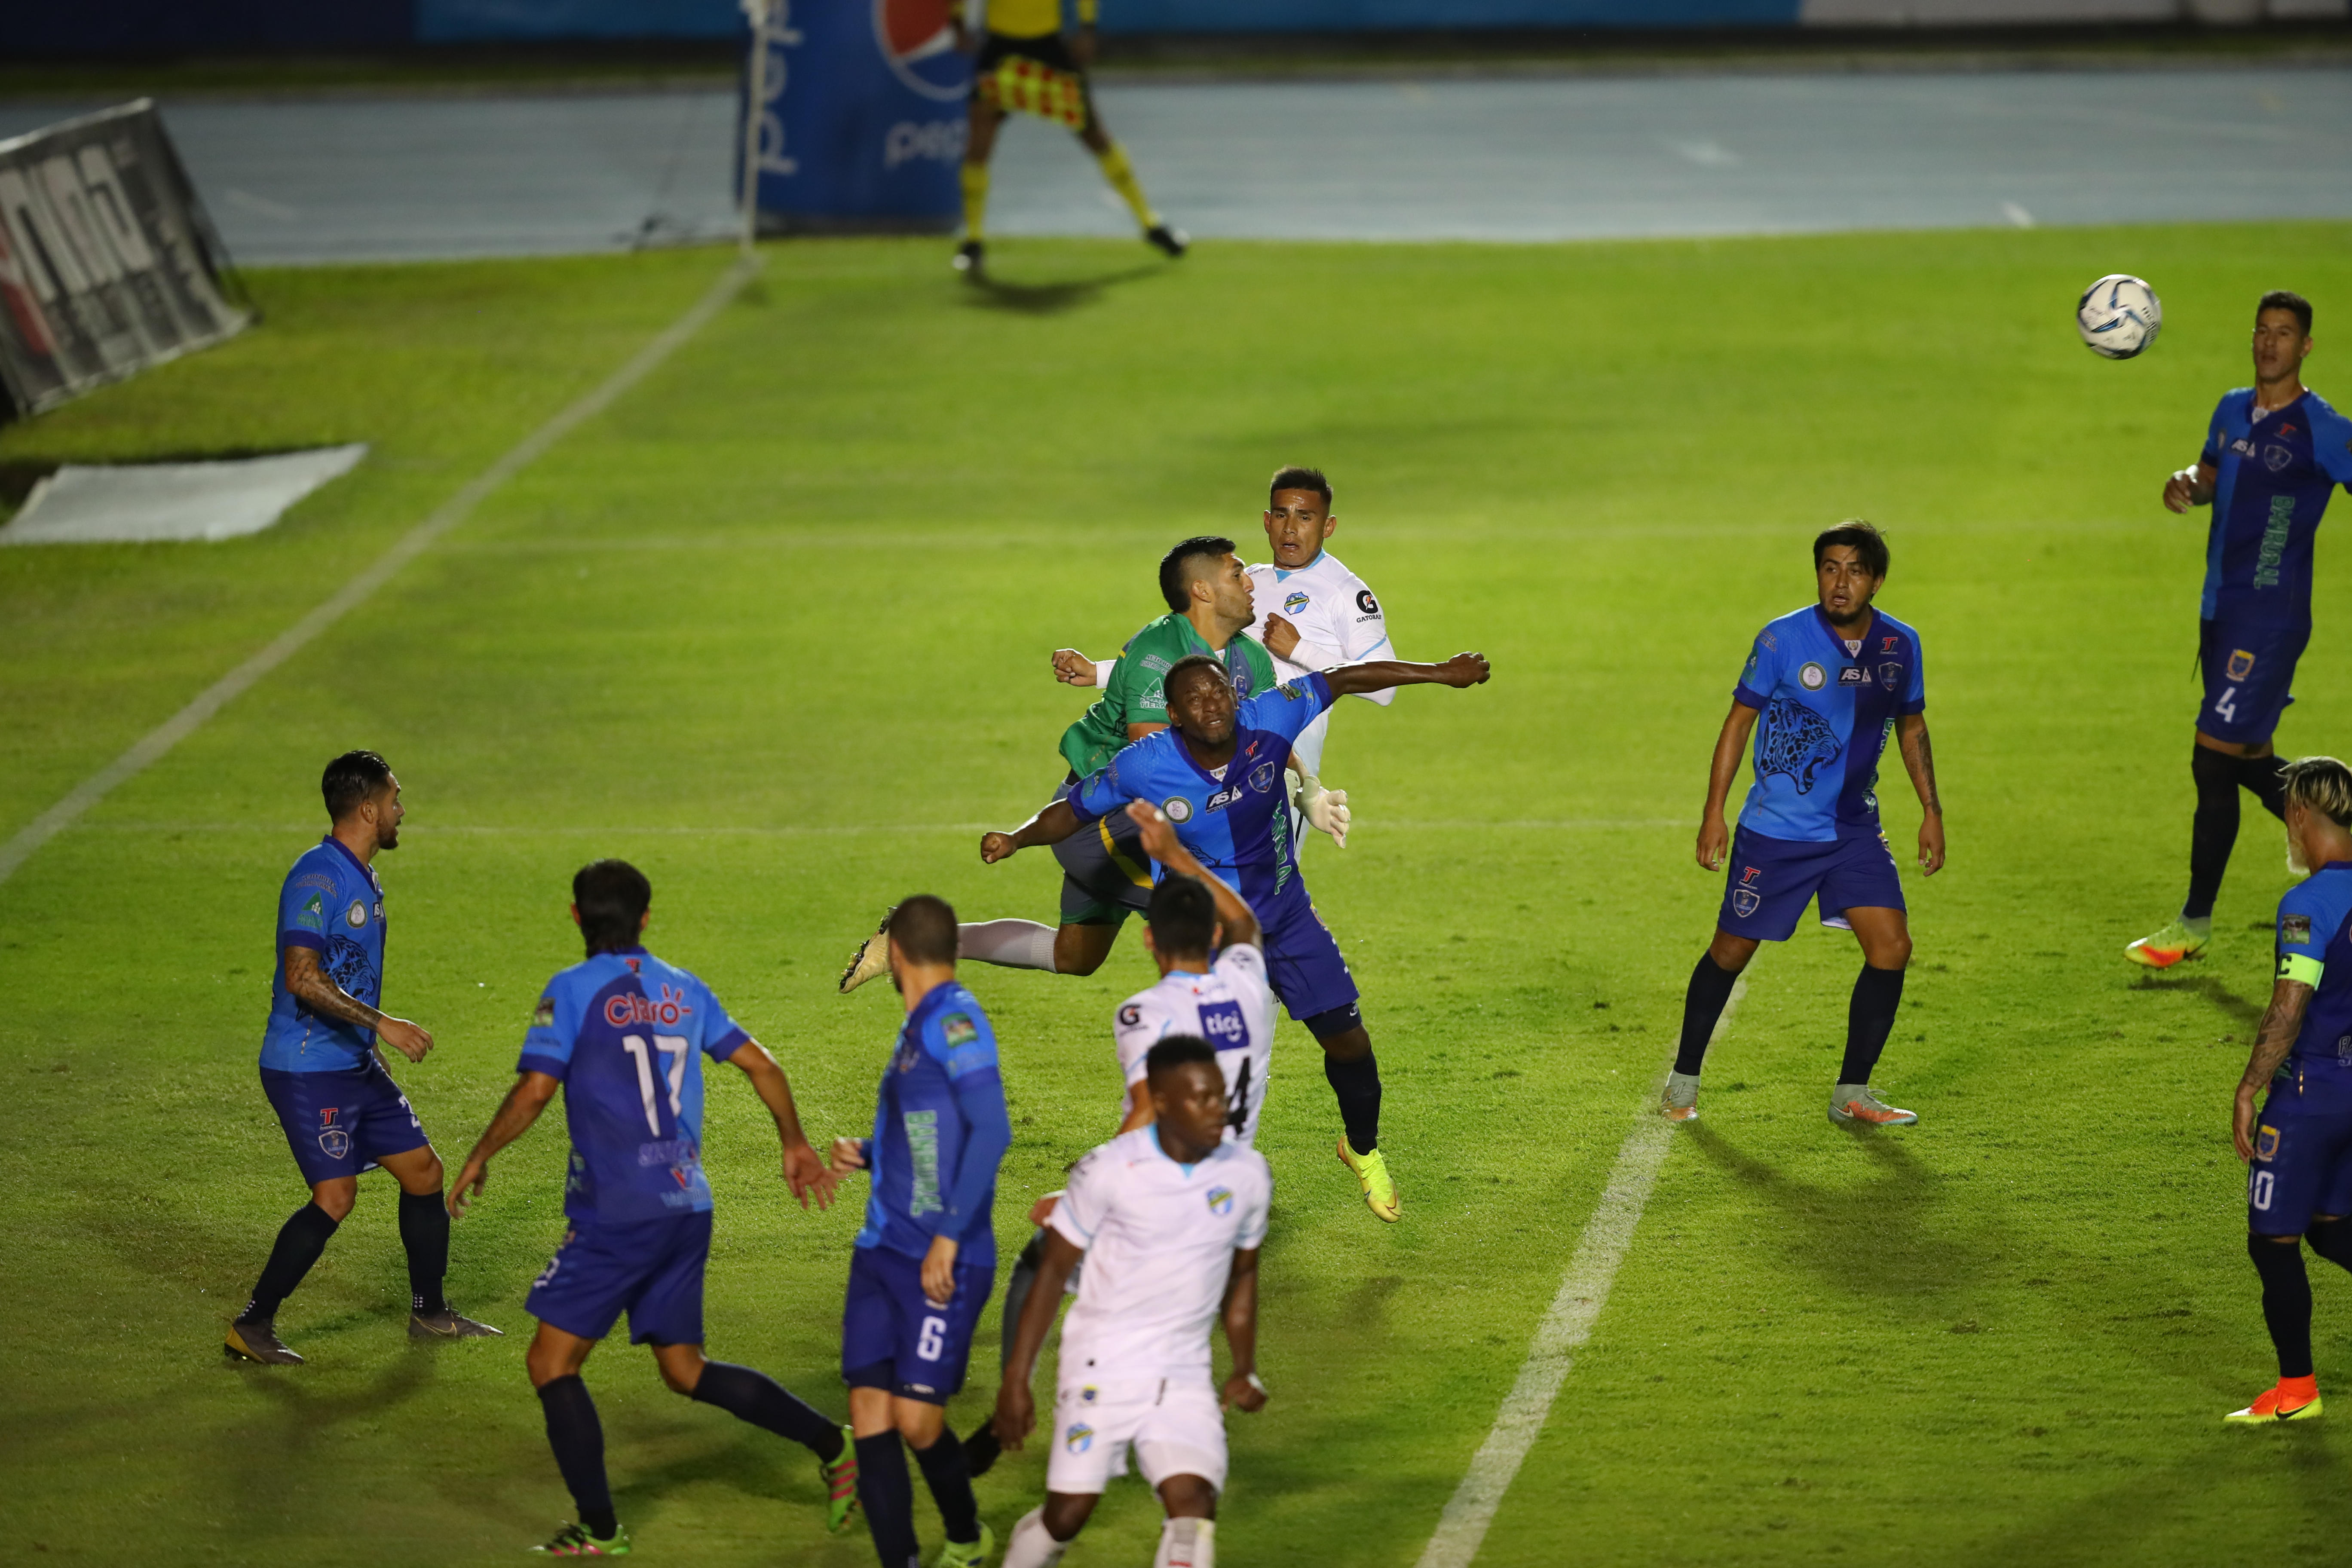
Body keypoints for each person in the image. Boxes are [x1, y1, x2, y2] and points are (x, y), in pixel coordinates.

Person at [979, 649, 1492, 1222]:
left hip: (1286, 916)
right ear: (1173, 715)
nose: (1212, 706)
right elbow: (1072, 809)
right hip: (1207, 939)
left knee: (1351, 1044)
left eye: (1219, 692)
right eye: (1195, 699)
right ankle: (1161, 1189)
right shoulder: (1145, 764)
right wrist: (1017, 839)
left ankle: (1363, 1149)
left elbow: (1347, 679)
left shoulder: (1271, 718)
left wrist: (1441, 673)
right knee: (1202, 1071)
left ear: (1234, 694)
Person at [445, 859, 856, 1556]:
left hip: (618, 1215)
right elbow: (762, 1063)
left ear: (575, 916)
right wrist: (795, 1143)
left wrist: (481, 1154)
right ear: (645, 918)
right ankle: (832, 1443)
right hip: (684, 1205)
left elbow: (535, 1092)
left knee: (550, 1363)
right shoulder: (684, 990)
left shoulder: (571, 991)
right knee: (684, 1368)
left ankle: (600, 1528)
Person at [839, 535, 1337, 990]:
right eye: (1238, 573)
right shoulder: (1158, 655)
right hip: (1104, 823)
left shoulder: (1248, 657)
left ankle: (911, 936)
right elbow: (1165, 767)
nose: (1251, 584)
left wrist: (1307, 783)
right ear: (1203, 591)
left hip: (1125, 811)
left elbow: (1263, 732)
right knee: (1218, 919)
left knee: (1075, 954)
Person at [965, 801, 1276, 1476]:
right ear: (1215, 939)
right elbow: (1246, 922)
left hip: (1167, 1185)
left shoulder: (1147, 1013)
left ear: (1149, 942)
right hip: (1233, 1184)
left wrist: (1085, 1186)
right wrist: (1177, 858)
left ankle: (1013, 1403)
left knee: (1047, 1258)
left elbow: (1144, 1110)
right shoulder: (1252, 985)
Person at [1664, 522, 1943, 1129]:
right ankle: (1683, 1080)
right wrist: (1715, 812)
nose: (1840, 583)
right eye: (1830, 568)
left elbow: (1913, 726)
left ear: (1877, 580)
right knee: (1731, 951)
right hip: (1778, 832)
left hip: (1853, 831)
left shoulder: (1901, 645)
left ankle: (1852, 1095)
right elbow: (1738, 723)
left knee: (1892, 948)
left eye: (1855, 571)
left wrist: (1931, 811)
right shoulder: (1782, 640)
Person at [224, 750, 497, 1366]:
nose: (403, 810)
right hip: (305, 1067)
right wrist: (386, 1025)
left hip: (351, 1062)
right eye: (396, 799)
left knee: (425, 1174)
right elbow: (302, 976)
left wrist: (368, 1040)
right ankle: (252, 1325)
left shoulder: (364, 875)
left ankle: (430, 1314)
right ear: (369, 809)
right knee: (335, 1198)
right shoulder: (318, 878)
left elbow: (346, 973)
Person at [2129, 291, 2352, 969]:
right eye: (2262, 331)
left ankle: (2195, 922)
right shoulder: (2231, 408)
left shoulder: (2321, 428)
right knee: (2253, 766)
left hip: (2270, 616)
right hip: (2221, 608)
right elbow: (2208, 474)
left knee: (2211, 757)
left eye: (2284, 334)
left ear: (2305, 346)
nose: (2269, 343)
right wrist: (2184, 485)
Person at [989, 1035, 1271, 1568]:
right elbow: (1050, 1274)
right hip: (1103, 1363)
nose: (1221, 1110)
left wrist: (1244, 1368)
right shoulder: (1109, 1171)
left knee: (1193, 1510)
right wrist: (1015, 1381)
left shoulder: (1246, 1174)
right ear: (1161, 1103)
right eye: (1202, 1098)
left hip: (1183, 1369)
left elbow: (1245, 1274)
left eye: (1221, 1094)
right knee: (1066, 1517)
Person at [827, 895, 1011, 1568]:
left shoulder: (955, 1021)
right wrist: (870, 1152)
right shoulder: (918, 1026)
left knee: (917, 1422)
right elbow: (929, 1128)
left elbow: (991, 1131)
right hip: (882, 1250)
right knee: (872, 1417)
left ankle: (966, 1536)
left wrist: (948, 1237)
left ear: (897, 954)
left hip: (943, 1259)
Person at [2227, 757, 2352, 1423]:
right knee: (2332, 1230)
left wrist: (2251, 1086)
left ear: (2301, 817)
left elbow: (2289, 1003)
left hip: (2314, 1094)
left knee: (2272, 1241)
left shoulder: (2308, 905)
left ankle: (2297, 1391)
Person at [952, 0, 1184, 277]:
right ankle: (973, 241)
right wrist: (958, 23)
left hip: (1048, 46)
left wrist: (1087, 29)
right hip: (1000, 49)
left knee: (1095, 134)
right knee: (978, 144)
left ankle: (1150, 224)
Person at [1243, 466, 1396, 857]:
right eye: (1281, 515)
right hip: (1224, 752)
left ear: (1328, 527)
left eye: (1305, 517)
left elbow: (1384, 689)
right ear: (1266, 520)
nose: (1290, 529)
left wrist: (1299, 651)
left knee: (1266, 896)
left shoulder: (1345, 593)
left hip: (1286, 767)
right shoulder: (1246, 582)